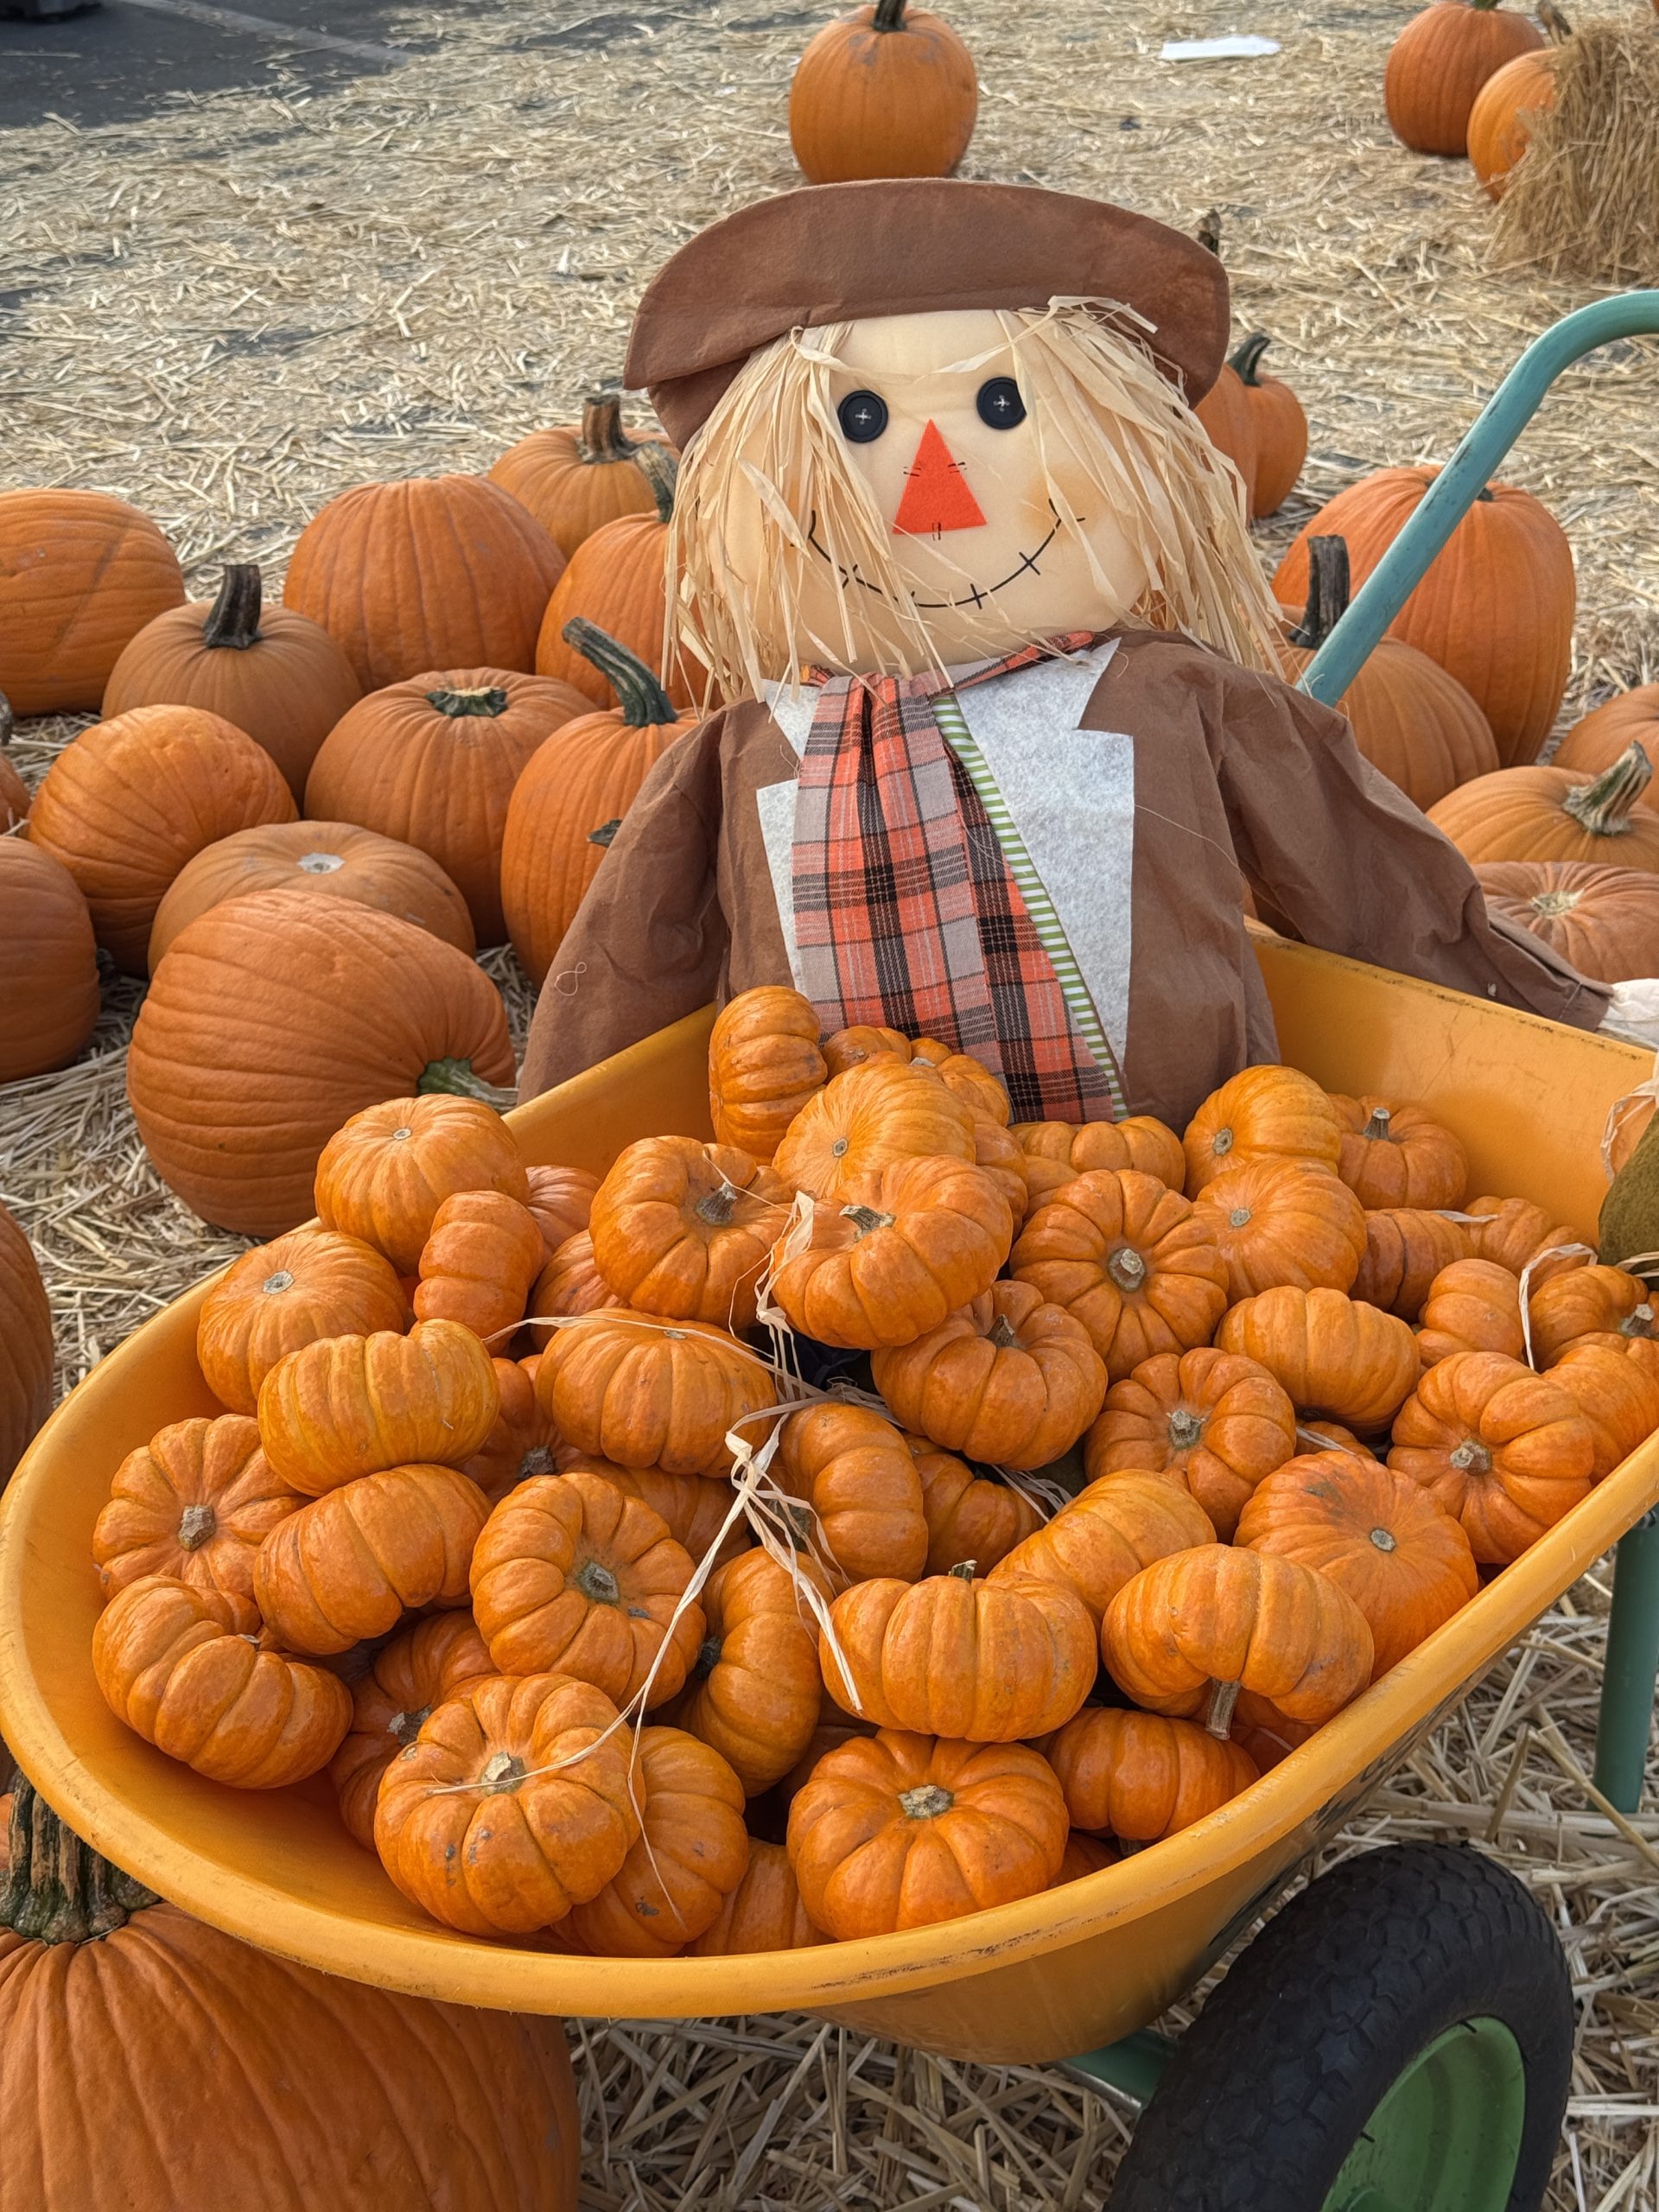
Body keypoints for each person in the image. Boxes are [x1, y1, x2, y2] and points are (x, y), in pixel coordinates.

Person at [519, 178, 1640, 1126]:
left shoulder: (1170, 697)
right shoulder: (747, 750)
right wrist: (543, 1169)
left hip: (1182, 1218)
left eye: (999, 406)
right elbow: (628, 975)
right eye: (860, 424)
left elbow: (1367, 878)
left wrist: (1572, 1031)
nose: (936, 485)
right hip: (848, 1231)